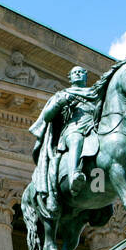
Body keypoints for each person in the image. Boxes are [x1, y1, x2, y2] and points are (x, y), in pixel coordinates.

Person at [30, 65, 111, 200]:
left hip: (94, 130)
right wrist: (61, 102)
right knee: (76, 140)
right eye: (75, 72)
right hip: (73, 130)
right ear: (70, 77)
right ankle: (74, 175)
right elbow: (47, 116)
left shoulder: (95, 94)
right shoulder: (63, 94)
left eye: (80, 72)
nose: (78, 74)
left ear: (86, 76)